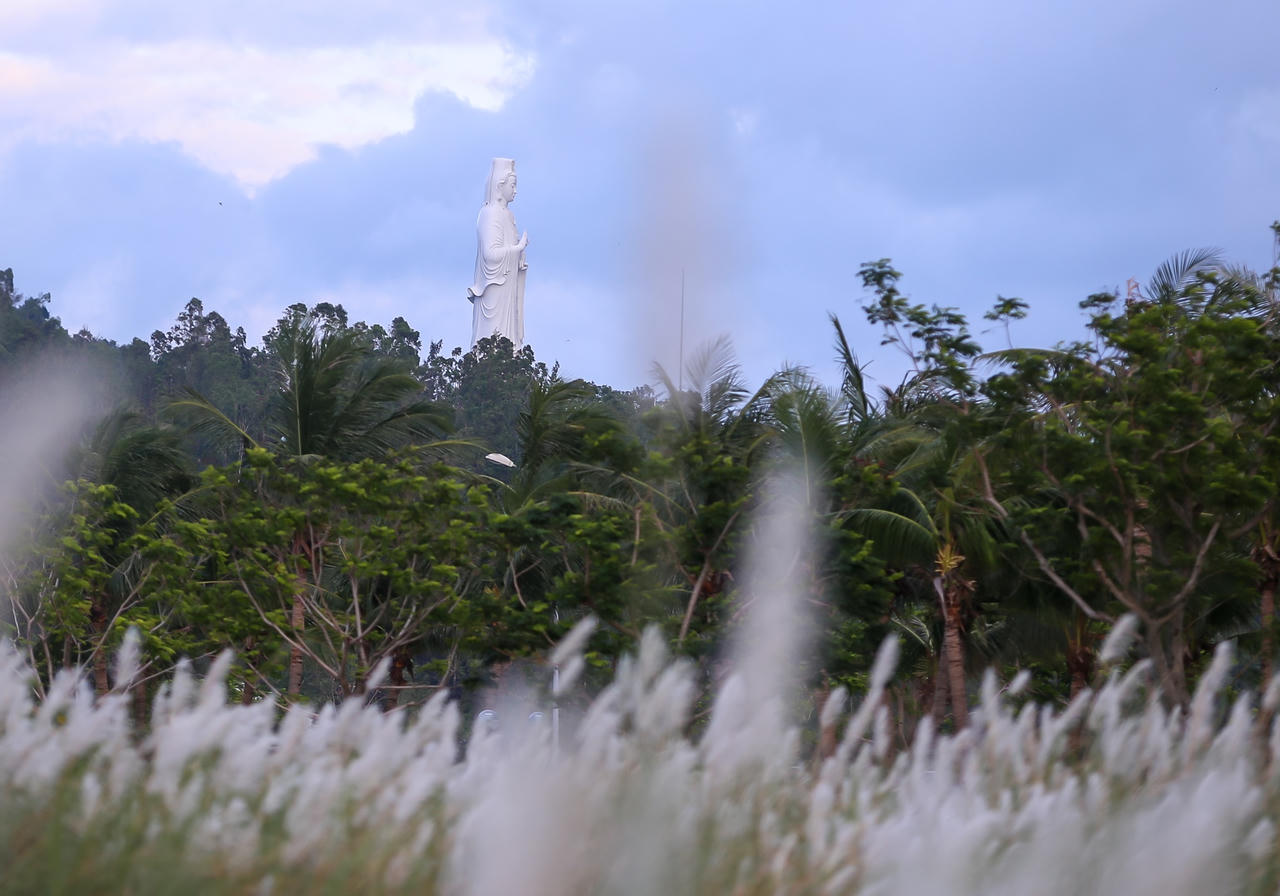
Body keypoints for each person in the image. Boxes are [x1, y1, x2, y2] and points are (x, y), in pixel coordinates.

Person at [467, 158, 528, 348]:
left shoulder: (508, 215)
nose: (515, 190)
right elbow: (490, 254)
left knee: (508, 342)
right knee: (491, 341)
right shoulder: (489, 213)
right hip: (493, 289)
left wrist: (518, 259)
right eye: (513, 185)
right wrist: (517, 249)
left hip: (507, 289)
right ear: (500, 185)